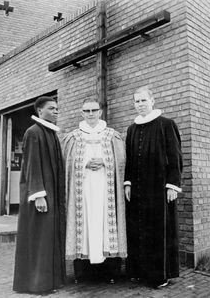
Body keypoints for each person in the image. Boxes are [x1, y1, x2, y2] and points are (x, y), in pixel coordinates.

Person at [62, 98, 127, 284]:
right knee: (85, 226)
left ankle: (109, 273)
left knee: (106, 226)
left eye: (94, 110)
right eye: (86, 111)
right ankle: (83, 274)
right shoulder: (73, 137)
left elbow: (122, 162)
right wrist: (83, 163)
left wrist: (106, 162)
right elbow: (66, 164)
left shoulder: (112, 135)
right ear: (81, 113)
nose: (90, 114)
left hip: (107, 192)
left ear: (100, 112)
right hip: (82, 192)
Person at [124, 86, 182, 288]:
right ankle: (140, 271)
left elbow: (175, 156)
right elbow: (129, 160)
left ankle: (160, 275)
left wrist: (173, 185)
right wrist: (128, 182)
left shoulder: (166, 124)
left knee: (158, 230)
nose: (139, 105)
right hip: (138, 189)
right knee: (139, 228)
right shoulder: (132, 129)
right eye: (136, 101)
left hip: (159, 188)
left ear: (152, 101)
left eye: (143, 101)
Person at [13, 96, 66, 294]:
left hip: (51, 194)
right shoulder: (33, 132)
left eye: (57, 109)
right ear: (39, 111)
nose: (56, 112)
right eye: (52, 108)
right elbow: (32, 165)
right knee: (39, 239)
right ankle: (38, 285)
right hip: (41, 197)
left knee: (48, 238)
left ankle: (50, 281)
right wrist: (39, 195)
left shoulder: (50, 133)